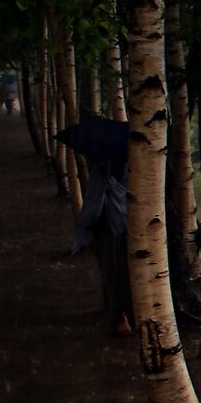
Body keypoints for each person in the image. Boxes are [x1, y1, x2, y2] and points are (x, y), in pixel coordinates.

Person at [72, 143, 131, 335]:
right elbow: (91, 205)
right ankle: (118, 316)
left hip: (127, 230)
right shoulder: (100, 175)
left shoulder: (130, 172)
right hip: (106, 230)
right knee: (112, 272)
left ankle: (124, 313)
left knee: (125, 273)